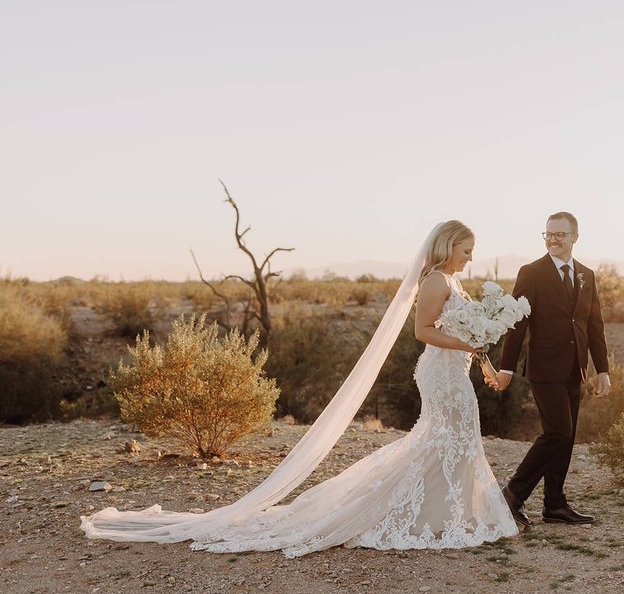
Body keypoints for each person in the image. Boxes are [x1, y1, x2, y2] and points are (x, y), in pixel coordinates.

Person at [81, 221, 518, 556]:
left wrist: (484, 363)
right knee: (447, 439)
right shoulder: (436, 281)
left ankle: (445, 514)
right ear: (447, 246)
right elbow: (424, 331)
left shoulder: (455, 282)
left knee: (452, 441)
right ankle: (422, 515)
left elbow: (464, 332)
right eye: (466, 250)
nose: (470, 258)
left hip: (456, 371)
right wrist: (470, 344)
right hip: (439, 374)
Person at [495, 212, 611, 526]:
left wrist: (603, 369)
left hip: (576, 369)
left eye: (560, 234)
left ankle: (555, 504)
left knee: (567, 435)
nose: (553, 239)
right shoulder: (531, 272)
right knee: (558, 432)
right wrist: (506, 368)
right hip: (544, 367)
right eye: (548, 234)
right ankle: (512, 495)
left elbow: (594, 325)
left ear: (575, 237)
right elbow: (517, 324)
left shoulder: (586, 274)